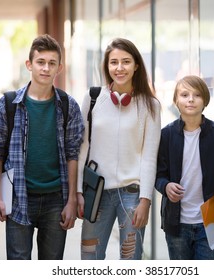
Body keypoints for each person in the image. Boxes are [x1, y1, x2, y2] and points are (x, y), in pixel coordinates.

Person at [0, 34, 84, 260]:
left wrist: (70, 201)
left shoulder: (68, 106)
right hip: (19, 196)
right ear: (29, 65)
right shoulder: (8, 104)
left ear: (59, 68)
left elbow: (73, 154)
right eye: (41, 62)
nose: (45, 68)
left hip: (55, 200)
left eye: (52, 63)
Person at [76, 38, 161, 260]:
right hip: (96, 193)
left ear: (136, 66)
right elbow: (82, 148)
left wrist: (145, 200)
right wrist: (77, 191)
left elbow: (149, 157)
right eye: (114, 62)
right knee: (89, 258)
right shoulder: (93, 98)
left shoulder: (150, 105)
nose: (119, 68)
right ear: (107, 66)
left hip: (132, 194)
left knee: (131, 261)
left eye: (126, 61)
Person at [155, 75, 214, 260]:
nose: (190, 99)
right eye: (184, 94)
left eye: (197, 95)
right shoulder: (166, 135)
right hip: (176, 224)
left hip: (209, 225)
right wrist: (165, 186)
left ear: (205, 100)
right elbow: (158, 175)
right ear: (176, 100)